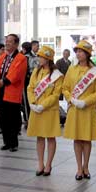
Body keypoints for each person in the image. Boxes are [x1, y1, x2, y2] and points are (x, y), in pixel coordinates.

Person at [62, 40, 96, 180]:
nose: (78, 54)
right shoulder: (71, 69)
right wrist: (71, 99)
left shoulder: (95, 71)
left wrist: (85, 102)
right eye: (77, 51)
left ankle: (86, 166)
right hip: (74, 108)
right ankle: (79, 168)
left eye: (81, 51)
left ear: (87, 54)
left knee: (86, 139)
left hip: (88, 109)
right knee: (77, 138)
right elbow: (65, 88)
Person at [27, 46, 63, 176]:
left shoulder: (56, 75)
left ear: (48, 59)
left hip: (49, 110)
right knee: (40, 137)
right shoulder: (36, 71)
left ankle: (48, 164)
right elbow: (30, 88)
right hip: (36, 109)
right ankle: (40, 163)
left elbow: (56, 94)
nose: (39, 59)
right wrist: (32, 103)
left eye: (41, 57)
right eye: (39, 56)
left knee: (50, 137)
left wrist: (43, 105)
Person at [0, 34, 27, 152]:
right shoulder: (2, 57)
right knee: (2, 119)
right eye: (6, 41)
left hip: (12, 93)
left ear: (16, 44)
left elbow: (16, 74)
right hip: (0, 92)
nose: (7, 43)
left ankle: (13, 143)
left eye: (10, 42)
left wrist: (3, 81)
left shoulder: (21, 58)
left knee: (12, 119)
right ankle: (6, 142)